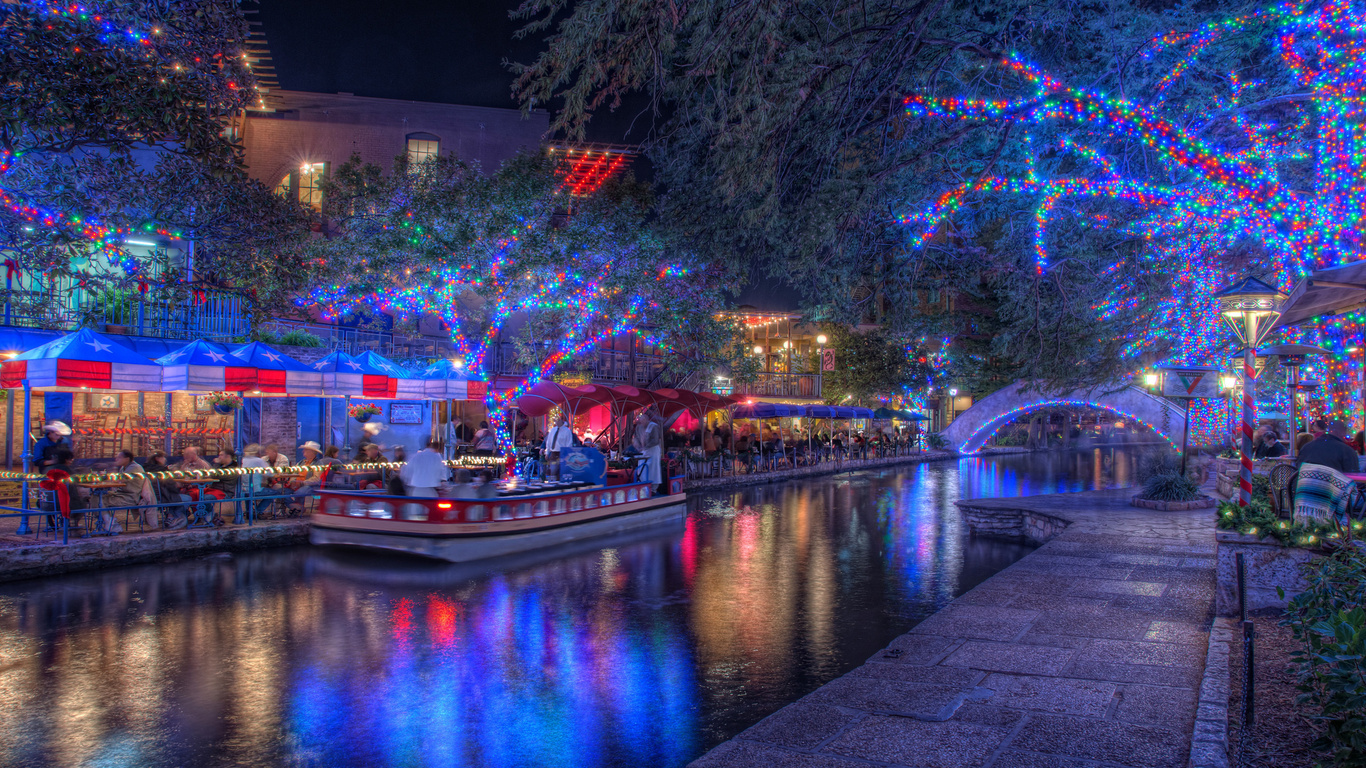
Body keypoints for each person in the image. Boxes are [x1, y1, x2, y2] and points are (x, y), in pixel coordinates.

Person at [105, 449, 152, 529]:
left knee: (100, 500)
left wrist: (108, 475)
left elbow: (119, 480)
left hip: (130, 497)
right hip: (122, 494)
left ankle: (110, 524)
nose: (116, 459)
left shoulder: (134, 468)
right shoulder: (124, 468)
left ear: (127, 459)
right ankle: (109, 522)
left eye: (119, 457)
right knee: (96, 498)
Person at [241, 443, 285, 517]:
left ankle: (249, 512)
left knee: (248, 495)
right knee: (275, 493)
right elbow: (270, 473)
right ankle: (258, 511)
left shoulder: (242, 460)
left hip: (243, 489)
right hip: (255, 489)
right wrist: (275, 473)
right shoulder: (258, 461)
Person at [632, 406, 663, 491]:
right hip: (643, 451)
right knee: (642, 468)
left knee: (653, 469)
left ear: (646, 420)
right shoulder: (639, 427)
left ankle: (653, 488)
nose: (641, 424)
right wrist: (636, 443)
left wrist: (645, 446)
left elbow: (655, 440)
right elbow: (637, 437)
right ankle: (643, 486)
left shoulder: (653, 426)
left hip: (653, 451)